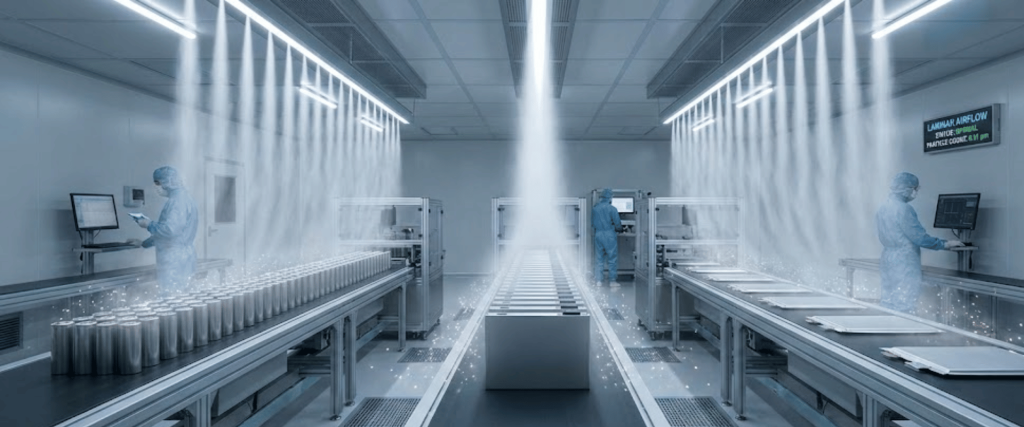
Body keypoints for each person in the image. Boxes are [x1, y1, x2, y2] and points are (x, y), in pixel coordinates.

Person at [875, 172, 963, 313]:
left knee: (889, 300)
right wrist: (945, 244)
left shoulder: (883, 206)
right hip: (904, 260)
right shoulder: (904, 209)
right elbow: (919, 237)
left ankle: (888, 329)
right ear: (906, 189)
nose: (915, 192)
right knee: (905, 302)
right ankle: (902, 332)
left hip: (887, 257)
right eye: (915, 188)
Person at [129, 166, 199, 296]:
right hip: (184, 256)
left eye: (157, 183)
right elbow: (168, 235)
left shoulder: (178, 202)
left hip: (174, 259)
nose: (156, 187)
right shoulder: (184, 199)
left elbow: (170, 231)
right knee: (184, 296)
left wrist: (148, 224)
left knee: (172, 298)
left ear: (168, 182)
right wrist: (143, 243)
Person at [592, 189, 623, 287]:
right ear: (610, 197)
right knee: (612, 258)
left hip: (598, 234)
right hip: (609, 235)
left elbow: (592, 223)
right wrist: (620, 229)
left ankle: (598, 281)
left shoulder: (595, 209)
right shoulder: (612, 209)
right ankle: (612, 281)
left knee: (599, 258)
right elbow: (617, 223)